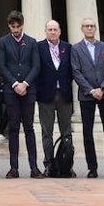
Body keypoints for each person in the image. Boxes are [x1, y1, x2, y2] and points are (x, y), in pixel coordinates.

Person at [71, 17, 104, 179]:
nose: (90, 28)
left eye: (92, 26)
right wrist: (91, 90)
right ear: (82, 29)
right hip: (87, 95)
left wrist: (103, 88)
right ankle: (92, 168)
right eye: (87, 26)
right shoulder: (76, 49)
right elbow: (76, 72)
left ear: (96, 28)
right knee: (87, 132)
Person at [0, 10, 42, 178]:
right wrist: (15, 84)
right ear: (9, 26)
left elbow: (36, 66)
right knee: (14, 129)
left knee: (29, 128)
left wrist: (25, 84)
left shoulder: (32, 42)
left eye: (18, 26)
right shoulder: (3, 42)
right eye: (13, 27)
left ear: (22, 25)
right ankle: (14, 167)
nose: (16, 29)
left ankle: (34, 167)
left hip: (28, 91)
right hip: (11, 90)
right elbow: (1, 65)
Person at [36, 19, 73, 175]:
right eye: (49, 29)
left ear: (59, 31)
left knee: (67, 132)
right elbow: (36, 70)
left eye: (55, 29)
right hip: (46, 95)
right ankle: (49, 164)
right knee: (47, 133)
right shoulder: (38, 48)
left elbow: (72, 70)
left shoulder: (68, 47)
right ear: (45, 31)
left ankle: (67, 165)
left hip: (64, 94)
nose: (52, 32)